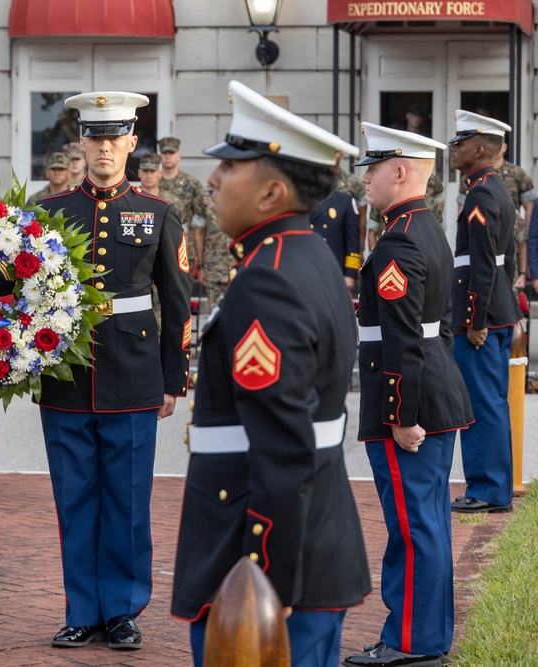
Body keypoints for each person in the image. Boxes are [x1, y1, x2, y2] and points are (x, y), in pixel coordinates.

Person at [171, 81, 370, 667]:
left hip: (262, 557)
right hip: (308, 538)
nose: (213, 180)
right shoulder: (302, 256)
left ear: (272, 192)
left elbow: (284, 443)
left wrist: (267, 575)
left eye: (231, 167)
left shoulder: (270, 276)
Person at [36, 91, 191, 651]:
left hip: (132, 371)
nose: (104, 147)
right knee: (74, 497)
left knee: (127, 499)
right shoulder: (50, 213)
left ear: (130, 143)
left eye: (114, 137)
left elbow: (177, 302)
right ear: (81, 142)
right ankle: (82, 609)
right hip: (66, 373)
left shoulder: (158, 214)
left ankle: (122, 610)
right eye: (94, 137)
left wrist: (174, 378)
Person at [343, 122, 473, 666]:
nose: (365, 181)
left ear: (400, 172)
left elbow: (401, 339)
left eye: (372, 170)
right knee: (427, 526)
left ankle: (411, 643)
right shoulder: (426, 229)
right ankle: (429, 637)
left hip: (410, 406)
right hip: (433, 394)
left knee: (413, 530)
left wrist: (400, 414)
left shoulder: (399, 238)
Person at [448, 110, 519, 515]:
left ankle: (489, 490)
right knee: (492, 402)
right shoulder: (496, 190)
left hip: (482, 319)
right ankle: (496, 487)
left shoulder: (480, 194)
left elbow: (481, 263)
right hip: (498, 311)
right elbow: (501, 262)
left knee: (481, 405)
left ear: (478, 149)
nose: (454, 150)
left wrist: (475, 321)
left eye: (459, 143)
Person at [456, 139, 535, 288]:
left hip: (511, 239)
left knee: (508, 288)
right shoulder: (472, 177)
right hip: (481, 235)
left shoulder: (517, 173)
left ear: (504, 147)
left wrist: (528, 233)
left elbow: (530, 206)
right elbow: (462, 207)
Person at [159, 137, 211, 278]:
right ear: (160, 156)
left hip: (184, 246)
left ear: (179, 156)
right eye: (165, 153)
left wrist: (201, 259)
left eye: (171, 152)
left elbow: (201, 218)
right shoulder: (153, 181)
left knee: (182, 292)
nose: (168, 156)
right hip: (158, 245)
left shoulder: (191, 183)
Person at [308, 186, 361, 289]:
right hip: (306, 267)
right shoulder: (300, 199)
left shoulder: (344, 201)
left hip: (333, 269)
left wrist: (349, 274)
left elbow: (352, 241)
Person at [335, 150, 369, 255]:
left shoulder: (353, 182)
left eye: (335, 151)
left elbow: (362, 217)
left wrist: (361, 247)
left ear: (341, 154)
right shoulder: (317, 181)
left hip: (348, 243)